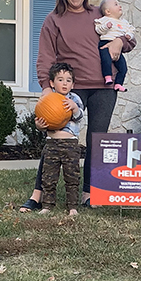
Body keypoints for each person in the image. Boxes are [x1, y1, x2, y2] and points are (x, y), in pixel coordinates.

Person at [19, 0, 136, 212]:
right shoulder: (54, 20)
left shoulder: (98, 14)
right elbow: (45, 57)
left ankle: (88, 193)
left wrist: (119, 42)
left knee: (96, 140)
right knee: (58, 139)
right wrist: (46, 87)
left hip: (104, 87)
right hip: (71, 89)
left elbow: (128, 36)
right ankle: (38, 194)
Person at [34, 63, 84, 216]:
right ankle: (47, 205)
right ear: (52, 83)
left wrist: (74, 108)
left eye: (68, 80)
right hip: (52, 144)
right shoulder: (47, 99)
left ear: (73, 84)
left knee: (72, 176)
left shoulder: (74, 99)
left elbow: (80, 116)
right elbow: (42, 122)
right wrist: (39, 126)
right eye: (60, 80)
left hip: (70, 145)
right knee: (48, 176)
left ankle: (72, 207)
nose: (65, 83)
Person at [94, 0, 136, 92]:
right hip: (105, 43)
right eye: (116, 4)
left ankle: (118, 84)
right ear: (108, 11)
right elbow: (98, 29)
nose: (120, 6)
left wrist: (129, 35)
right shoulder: (104, 20)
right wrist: (106, 26)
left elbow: (131, 30)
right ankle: (107, 77)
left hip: (118, 48)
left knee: (123, 67)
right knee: (106, 60)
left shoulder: (124, 22)